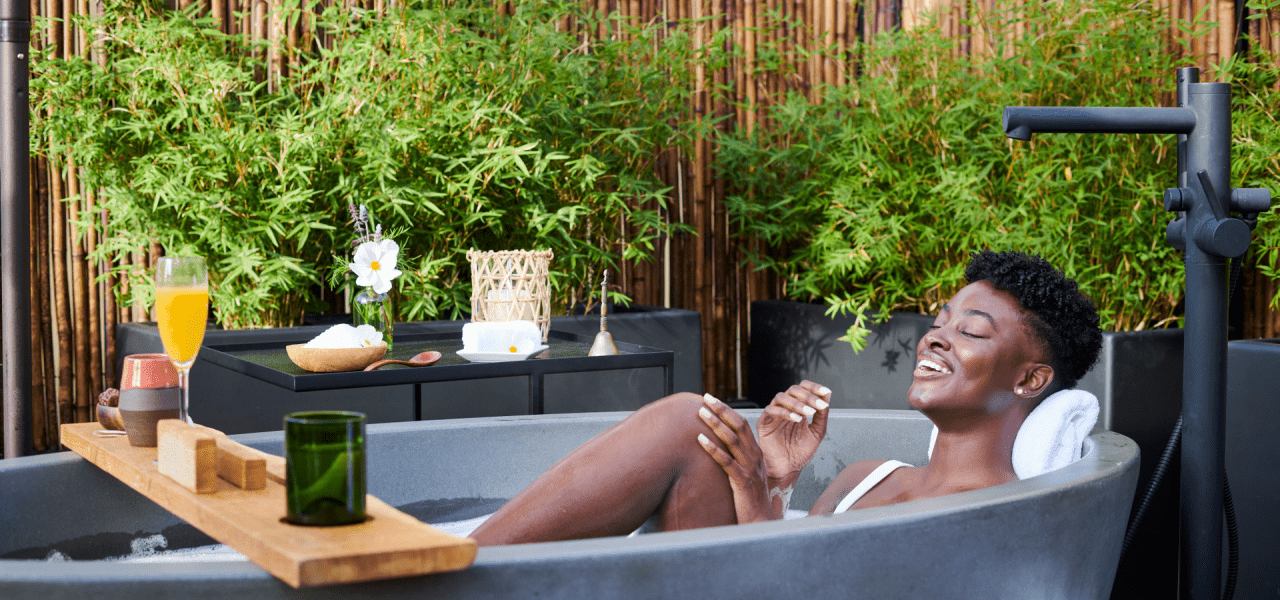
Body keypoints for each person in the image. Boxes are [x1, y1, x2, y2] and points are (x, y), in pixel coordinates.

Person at [469, 250, 1102, 546]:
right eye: (941, 318)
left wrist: (757, 491)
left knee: (688, 419)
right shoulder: (867, 478)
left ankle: (445, 573)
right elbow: (779, 574)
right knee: (696, 427)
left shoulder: (997, 519)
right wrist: (768, 481)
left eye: (971, 330)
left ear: (1030, 381)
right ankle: (452, 568)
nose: (937, 336)